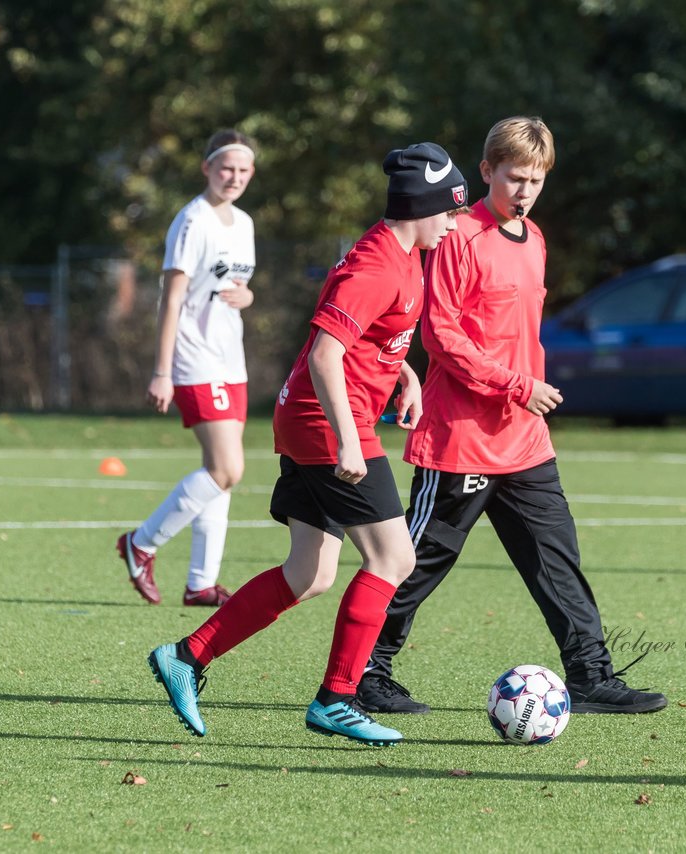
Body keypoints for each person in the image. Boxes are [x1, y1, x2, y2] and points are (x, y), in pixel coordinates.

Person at [146, 142, 469, 746]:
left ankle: (186, 657)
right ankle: (337, 699)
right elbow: (325, 352)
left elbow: (362, 336)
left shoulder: (404, 254)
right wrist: (349, 442)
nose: (455, 221)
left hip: (316, 417)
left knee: (309, 571)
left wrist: (404, 373)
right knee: (393, 559)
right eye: (450, 210)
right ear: (422, 206)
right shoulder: (377, 263)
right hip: (329, 424)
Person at [354, 117, 668, 716]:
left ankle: (591, 676)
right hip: (462, 439)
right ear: (487, 171)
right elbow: (441, 335)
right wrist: (516, 384)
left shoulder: (537, 239)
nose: (524, 190)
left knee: (558, 556)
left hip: (524, 440)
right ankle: (367, 670)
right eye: (514, 177)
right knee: (416, 562)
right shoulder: (457, 237)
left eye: (535, 179)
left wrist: (524, 393)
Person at [116, 129, 258, 607]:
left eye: (242, 170)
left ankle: (201, 582)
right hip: (195, 359)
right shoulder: (192, 221)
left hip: (230, 360)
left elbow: (236, 288)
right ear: (207, 169)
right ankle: (141, 543)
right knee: (226, 468)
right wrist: (163, 370)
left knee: (221, 474)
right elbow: (171, 300)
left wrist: (249, 295)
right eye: (226, 169)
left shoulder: (244, 223)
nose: (233, 178)